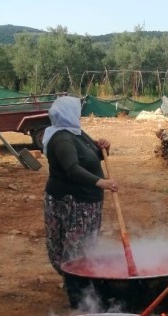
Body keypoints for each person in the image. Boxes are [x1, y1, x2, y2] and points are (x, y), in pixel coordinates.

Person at [41, 95, 118, 273]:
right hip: (73, 201)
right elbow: (72, 169)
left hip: (87, 200)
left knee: (84, 245)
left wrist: (105, 147)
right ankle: (74, 281)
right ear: (69, 113)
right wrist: (101, 182)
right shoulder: (62, 139)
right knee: (74, 245)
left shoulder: (76, 132)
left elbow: (94, 156)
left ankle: (78, 279)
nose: (79, 115)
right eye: (77, 112)